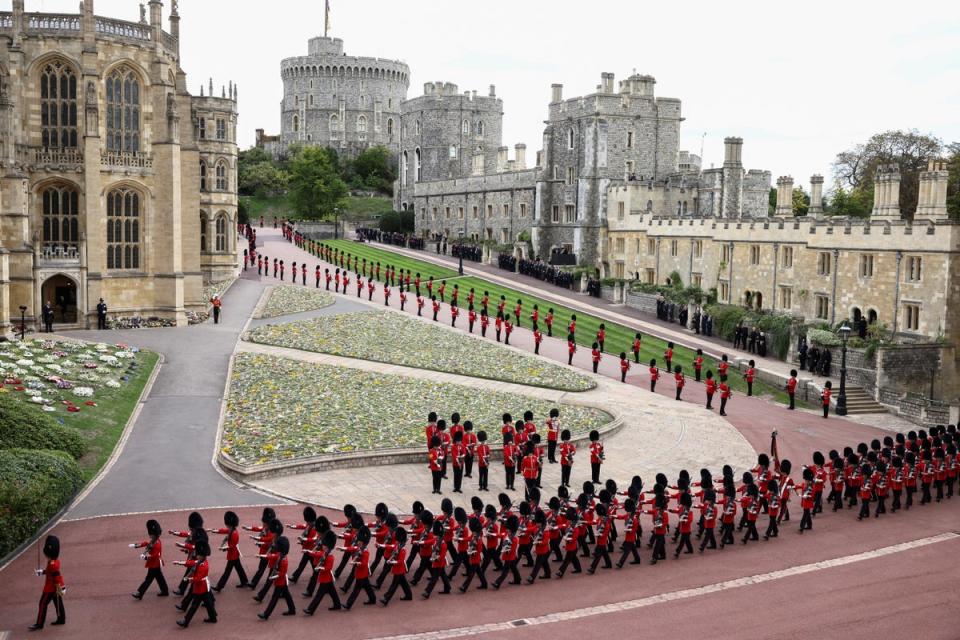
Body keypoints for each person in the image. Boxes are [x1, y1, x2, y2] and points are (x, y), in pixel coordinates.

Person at [175, 539, 217, 627]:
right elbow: (191, 562)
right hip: (203, 587)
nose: (196, 556)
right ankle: (213, 617)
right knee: (208, 603)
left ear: (203, 556)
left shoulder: (204, 565)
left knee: (194, 606)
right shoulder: (200, 561)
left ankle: (185, 621)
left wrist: (189, 579)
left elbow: (198, 578)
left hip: (201, 587)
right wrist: (180, 562)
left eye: (198, 555)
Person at [258, 536, 296, 619]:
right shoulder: (280, 555)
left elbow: (282, 573)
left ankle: (266, 614)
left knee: (274, 598)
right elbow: (273, 556)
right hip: (281, 581)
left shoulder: (284, 560)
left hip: (280, 581)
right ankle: (292, 609)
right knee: (287, 595)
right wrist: (263, 556)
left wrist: (274, 577)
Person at [209, 511, 248, 591]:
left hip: (233, 555)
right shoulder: (231, 530)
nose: (226, 526)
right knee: (239, 568)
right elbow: (223, 530)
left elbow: (232, 546)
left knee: (227, 572)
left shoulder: (234, 533)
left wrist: (223, 548)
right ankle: (244, 581)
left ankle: (219, 586)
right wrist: (213, 530)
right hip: (233, 554)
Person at [131, 519, 168, 599]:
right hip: (155, 563)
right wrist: (136, 545)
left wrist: (145, 557)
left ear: (154, 535)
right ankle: (165, 591)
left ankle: (140, 593)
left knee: (148, 579)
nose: (150, 536)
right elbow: (146, 543)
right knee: (159, 577)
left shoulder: (157, 543)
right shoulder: (154, 540)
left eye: (151, 534)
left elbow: (155, 555)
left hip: (155, 563)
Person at [342, 528, 377, 609]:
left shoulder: (365, 552)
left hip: (362, 572)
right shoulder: (359, 548)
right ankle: (373, 598)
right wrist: (343, 548)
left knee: (356, 590)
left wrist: (356, 563)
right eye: (358, 541)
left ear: (364, 543)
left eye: (360, 542)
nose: (358, 543)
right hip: (361, 573)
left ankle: (348, 604)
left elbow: (364, 563)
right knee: (367, 586)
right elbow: (352, 548)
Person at [380, 528, 413, 605]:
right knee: (403, 583)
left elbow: (400, 561)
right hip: (397, 569)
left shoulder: (402, 550)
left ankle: (386, 598)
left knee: (394, 585)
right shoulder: (398, 546)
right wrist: (390, 559)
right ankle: (409, 595)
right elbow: (393, 552)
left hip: (399, 569)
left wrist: (392, 561)